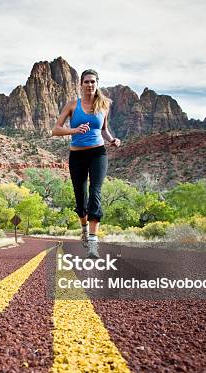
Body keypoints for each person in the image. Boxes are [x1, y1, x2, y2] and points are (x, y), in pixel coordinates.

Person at [52, 69, 120, 258]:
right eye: (86, 82)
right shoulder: (73, 105)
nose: (90, 85)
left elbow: (104, 129)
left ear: (97, 83)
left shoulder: (104, 105)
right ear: (80, 84)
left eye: (93, 82)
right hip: (77, 156)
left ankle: (92, 243)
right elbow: (56, 130)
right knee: (81, 199)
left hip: (98, 153)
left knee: (95, 193)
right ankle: (83, 228)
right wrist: (74, 130)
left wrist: (112, 140)